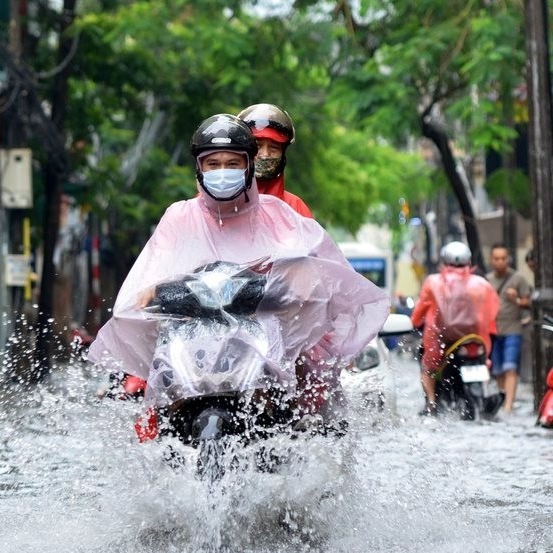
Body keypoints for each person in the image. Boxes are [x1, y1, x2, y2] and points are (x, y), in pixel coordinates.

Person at [87, 113, 389, 438]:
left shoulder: (280, 216)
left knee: (303, 408)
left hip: (264, 348)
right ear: (199, 169)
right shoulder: (178, 217)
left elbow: (310, 279)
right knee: (158, 416)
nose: (222, 172)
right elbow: (146, 287)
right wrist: (159, 294)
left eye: (232, 163)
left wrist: (283, 290)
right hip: (192, 346)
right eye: (212, 164)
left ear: (248, 166)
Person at [410, 241, 499, 416]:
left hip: (442, 341)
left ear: (444, 260)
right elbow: (492, 312)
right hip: (474, 340)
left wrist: (414, 323)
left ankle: (431, 403)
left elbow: (419, 312)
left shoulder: (432, 282)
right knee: (486, 362)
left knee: (427, 369)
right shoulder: (481, 284)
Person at [237, 103, 313, 218]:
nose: (265, 155)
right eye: (257, 146)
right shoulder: (211, 202)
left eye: (274, 148)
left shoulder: (295, 208)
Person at [486, 243, 534, 414]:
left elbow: (530, 302)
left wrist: (517, 300)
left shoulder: (518, 279)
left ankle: (508, 406)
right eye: (496, 258)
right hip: (493, 332)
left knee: (510, 368)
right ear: (491, 260)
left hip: (513, 330)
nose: (500, 262)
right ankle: (503, 399)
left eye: (503, 258)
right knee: (498, 370)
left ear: (508, 259)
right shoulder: (487, 280)